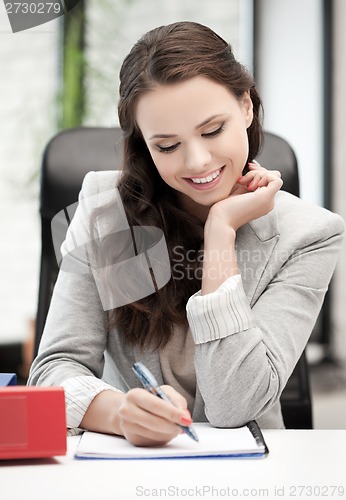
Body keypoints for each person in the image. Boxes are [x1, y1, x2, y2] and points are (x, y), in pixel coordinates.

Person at [28, 21, 344, 447]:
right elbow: (54, 370)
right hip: (127, 462)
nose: (197, 161)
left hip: (253, 474)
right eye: (167, 146)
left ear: (246, 107)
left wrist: (221, 231)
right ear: (143, 143)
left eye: (212, 130)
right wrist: (121, 414)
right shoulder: (109, 212)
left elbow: (234, 406)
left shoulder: (309, 234)